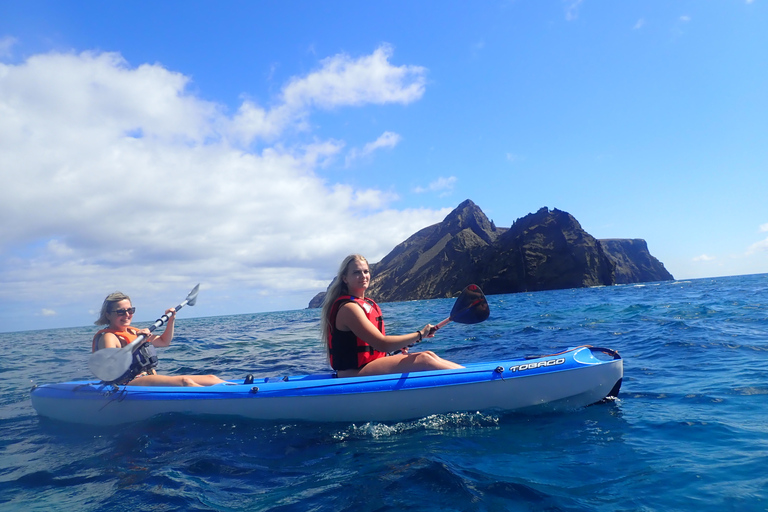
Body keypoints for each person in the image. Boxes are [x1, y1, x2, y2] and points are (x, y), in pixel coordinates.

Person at [321, 254, 463, 377]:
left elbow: (378, 345)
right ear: (345, 278)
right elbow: (382, 344)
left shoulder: (365, 304)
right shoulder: (349, 308)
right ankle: (474, 381)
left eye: (366, 271)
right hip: (353, 373)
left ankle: (467, 374)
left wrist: (403, 343)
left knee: (430, 355)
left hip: (368, 365)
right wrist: (420, 334)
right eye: (357, 272)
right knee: (424, 359)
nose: (363, 276)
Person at [93, 292, 226, 386]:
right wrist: (139, 343)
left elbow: (164, 341)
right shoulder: (109, 337)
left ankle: (241, 391)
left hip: (148, 377)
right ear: (108, 314)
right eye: (121, 312)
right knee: (185, 382)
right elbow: (110, 366)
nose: (127, 315)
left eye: (130, 310)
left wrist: (171, 319)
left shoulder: (133, 331)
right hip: (127, 383)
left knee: (211, 378)